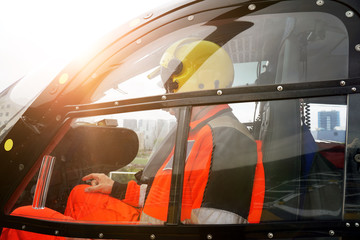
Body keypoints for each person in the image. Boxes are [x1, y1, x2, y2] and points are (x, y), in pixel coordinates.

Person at [1, 39, 262, 239]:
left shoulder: (227, 140)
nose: (165, 100)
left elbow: (215, 231)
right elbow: (170, 195)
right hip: (148, 226)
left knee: (22, 218)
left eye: (170, 86)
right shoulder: (196, 129)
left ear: (200, 82)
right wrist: (116, 188)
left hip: (151, 235)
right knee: (81, 194)